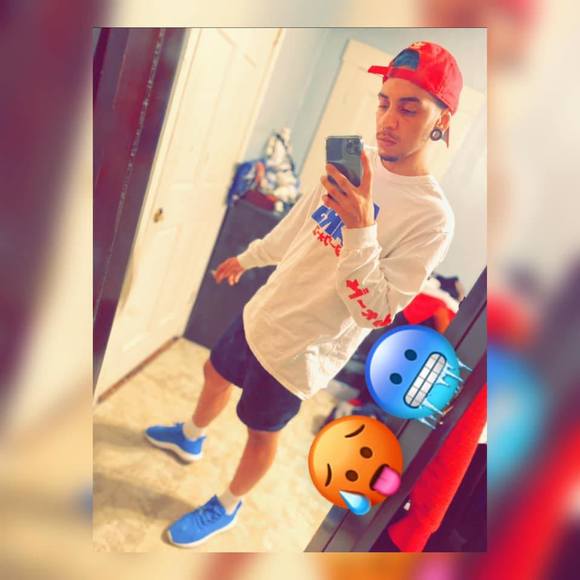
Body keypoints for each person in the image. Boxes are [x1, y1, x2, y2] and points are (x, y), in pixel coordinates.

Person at [145, 40, 463, 548]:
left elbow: (377, 311)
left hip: (301, 352)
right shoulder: (357, 161)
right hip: (263, 312)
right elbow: (300, 224)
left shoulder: (432, 218)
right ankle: (190, 437)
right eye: (384, 102)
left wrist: (361, 229)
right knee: (214, 372)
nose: (388, 120)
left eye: (409, 108)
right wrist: (249, 257)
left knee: (259, 433)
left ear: (441, 120)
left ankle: (227, 505)